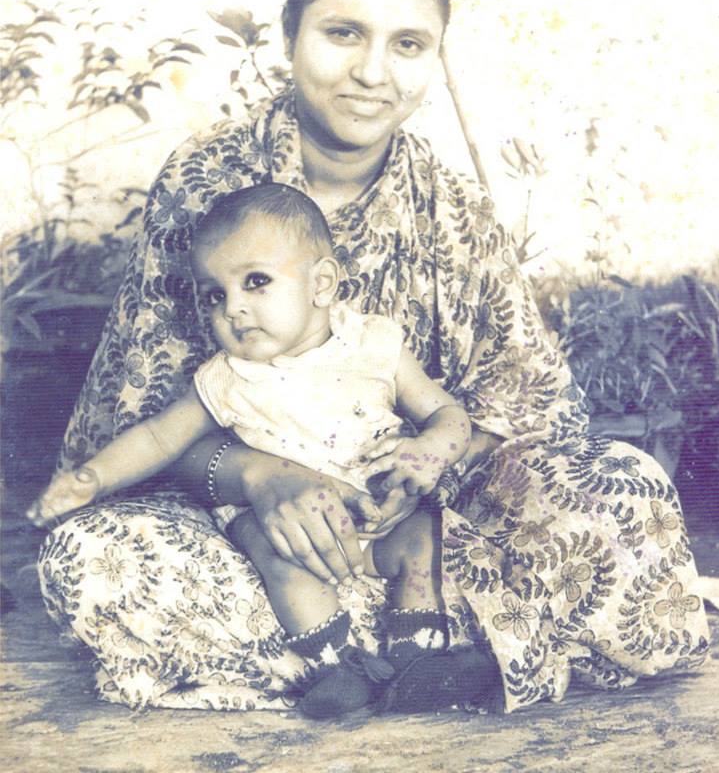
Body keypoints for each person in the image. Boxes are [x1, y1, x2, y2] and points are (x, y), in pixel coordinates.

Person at [36, 0, 709, 715]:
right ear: (291, 32)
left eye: (408, 44)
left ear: (435, 55)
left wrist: (420, 471)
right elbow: (144, 419)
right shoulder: (206, 181)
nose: (371, 73)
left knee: (625, 489)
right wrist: (262, 478)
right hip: (259, 540)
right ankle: (460, 650)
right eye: (343, 33)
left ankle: (374, 652)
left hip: (418, 529)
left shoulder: (452, 206)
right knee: (88, 558)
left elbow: (526, 407)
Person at [30, 183, 498, 717]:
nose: (233, 309)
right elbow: (159, 437)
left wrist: (431, 449)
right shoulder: (227, 377)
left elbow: (448, 415)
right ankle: (338, 668)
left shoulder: (375, 344)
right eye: (215, 295)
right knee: (276, 555)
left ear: (321, 283)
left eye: (256, 282)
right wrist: (92, 477)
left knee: (427, 538)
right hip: (287, 535)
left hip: (385, 517)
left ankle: (418, 660)